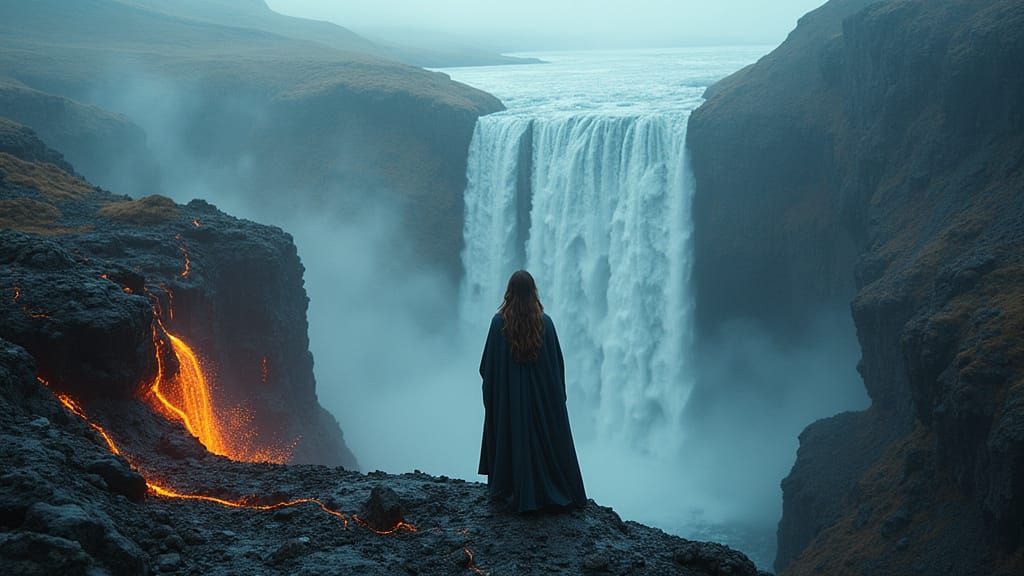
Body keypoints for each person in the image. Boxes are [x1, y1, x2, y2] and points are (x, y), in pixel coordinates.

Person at [477, 269, 587, 512]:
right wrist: (555, 398)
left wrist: (499, 396)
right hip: (541, 403)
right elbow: (557, 367)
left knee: (513, 439)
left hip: (510, 404)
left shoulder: (498, 324)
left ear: (509, 292)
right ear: (533, 292)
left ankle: (512, 488)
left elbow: (487, 368)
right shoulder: (545, 323)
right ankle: (546, 489)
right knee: (542, 442)